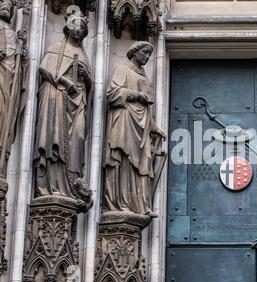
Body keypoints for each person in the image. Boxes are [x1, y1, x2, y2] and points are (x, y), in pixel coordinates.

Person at [33, 6, 93, 206]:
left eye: (82, 26)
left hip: (79, 103)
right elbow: (44, 68)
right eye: (75, 25)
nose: (78, 29)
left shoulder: (84, 55)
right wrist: (64, 82)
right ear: (67, 27)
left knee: (78, 137)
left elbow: (90, 85)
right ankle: (51, 185)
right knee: (54, 138)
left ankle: (71, 186)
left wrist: (86, 78)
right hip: (56, 99)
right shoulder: (57, 49)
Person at [103, 41, 165, 215]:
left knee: (142, 163)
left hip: (142, 126)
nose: (147, 57)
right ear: (135, 52)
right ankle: (121, 203)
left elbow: (146, 109)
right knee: (124, 161)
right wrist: (136, 94)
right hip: (124, 120)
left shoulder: (144, 76)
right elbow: (111, 93)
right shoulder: (123, 70)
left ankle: (139, 206)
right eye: (145, 53)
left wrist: (154, 127)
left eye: (149, 54)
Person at [0, 0, 27, 177]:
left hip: (8, 83)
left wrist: (22, 52)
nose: (6, 6)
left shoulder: (13, 35)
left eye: (9, 4)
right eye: (2, 2)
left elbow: (19, 69)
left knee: (4, 115)